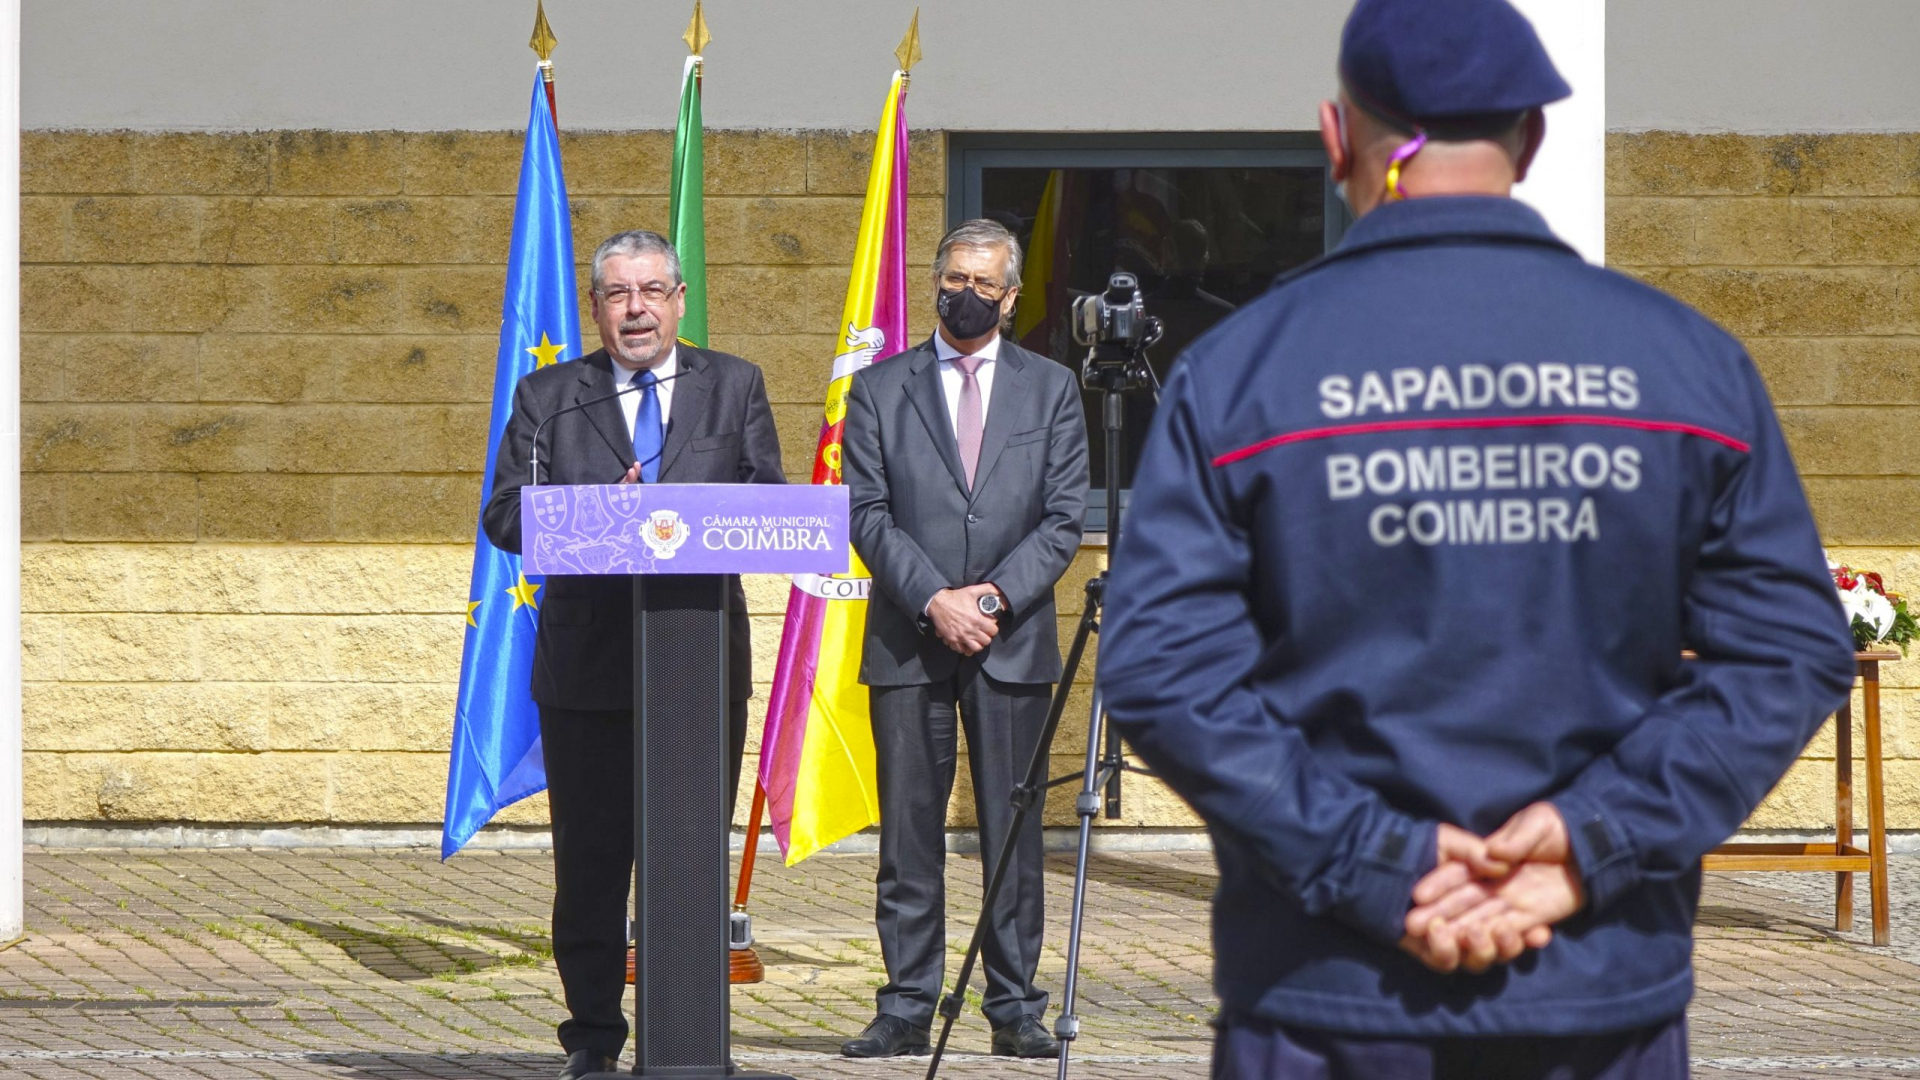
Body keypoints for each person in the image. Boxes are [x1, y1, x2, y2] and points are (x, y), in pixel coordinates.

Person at [1098, 1, 1859, 1077]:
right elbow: (1790, 652)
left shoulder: (1243, 373)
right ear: (1533, 140)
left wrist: (1379, 865)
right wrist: (1590, 844)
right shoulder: (1689, 365)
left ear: (1333, 139)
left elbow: (1162, 671)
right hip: (1593, 982)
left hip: (1327, 998)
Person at [482, 229, 784, 1080]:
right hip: (589, 670)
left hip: (696, 665)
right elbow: (507, 516)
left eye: (653, 290)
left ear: (680, 299)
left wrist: (679, 509)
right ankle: (592, 1039)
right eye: (618, 294)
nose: (637, 309)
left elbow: (767, 502)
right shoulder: (552, 395)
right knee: (592, 866)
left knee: (686, 858)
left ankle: (686, 1037)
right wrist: (596, 514)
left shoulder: (734, 385)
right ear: (597, 307)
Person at [838, 219, 1090, 1060]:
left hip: (1011, 641)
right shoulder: (879, 388)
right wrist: (934, 600)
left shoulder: (1052, 388)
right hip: (910, 641)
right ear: (934, 281)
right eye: (955, 277)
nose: (967, 294)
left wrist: (990, 598)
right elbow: (866, 513)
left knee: (1012, 836)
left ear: (1012, 298)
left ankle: (1015, 1006)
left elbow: (1062, 520)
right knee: (909, 837)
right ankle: (906, 1006)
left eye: (986, 284)